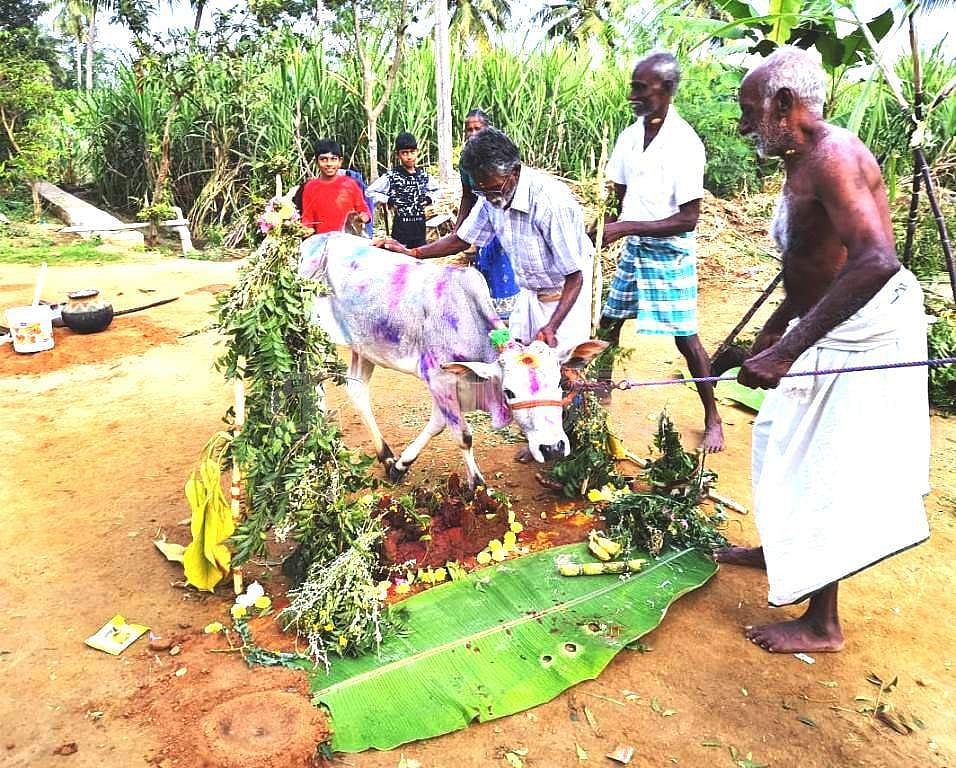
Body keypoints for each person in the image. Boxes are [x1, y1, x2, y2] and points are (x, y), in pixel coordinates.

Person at [716, 46, 930, 654]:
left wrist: (790, 350)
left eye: (748, 110)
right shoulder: (800, 157)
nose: (742, 126)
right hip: (826, 318)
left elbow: (876, 262)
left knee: (821, 463)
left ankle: (822, 622)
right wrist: (779, 326)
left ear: (784, 105)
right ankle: (781, 549)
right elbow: (815, 263)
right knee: (778, 434)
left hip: (867, 329)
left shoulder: (833, 159)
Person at [595, 52, 724, 453]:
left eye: (641, 87)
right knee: (608, 325)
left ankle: (713, 417)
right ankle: (597, 398)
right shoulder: (630, 135)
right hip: (634, 247)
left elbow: (688, 219)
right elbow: (620, 189)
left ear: (666, 89)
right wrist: (613, 224)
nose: (632, 94)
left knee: (686, 339)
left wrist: (625, 226)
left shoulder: (685, 143)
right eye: (633, 85)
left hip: (669, 251)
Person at [377, 126, 594, 359]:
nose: (490, 197)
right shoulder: (490, 196)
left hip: (565, 302)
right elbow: (461, 240)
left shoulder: (550, 203)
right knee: (519, 371)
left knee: (562, 377)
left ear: (515, 172)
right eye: (481, 191)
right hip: (530, 295)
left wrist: (552, 326)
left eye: (493, 189)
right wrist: (412, 253)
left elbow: (575, 276)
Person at [456, 109, 519, 321]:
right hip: (482, 220)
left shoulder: (500, 159)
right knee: (484, 273)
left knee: (505, 272)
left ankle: (509, 320)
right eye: (469, 129)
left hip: (502, 220)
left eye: (477, 128)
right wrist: (459, 231)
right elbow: (467, 197)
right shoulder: (466, 163)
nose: (473, 133)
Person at [366, 131, 437, 249]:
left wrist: (429, 199)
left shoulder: (424, 176)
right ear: (397, 155)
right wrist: (388, 200)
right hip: (400, 231)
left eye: (412, 152)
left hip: (419, 230)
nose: (409, 156)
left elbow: (438, 190)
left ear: (417, 152)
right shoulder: (392, 176)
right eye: (404, 153)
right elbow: (369, 192)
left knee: (419, 260)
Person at [299, 139, 371, 235]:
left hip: (348, 240)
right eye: (323, 159)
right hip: (322, 241)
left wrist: (363, 217)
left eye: (333, 159)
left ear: (340, 161)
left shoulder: (350, 184)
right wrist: (303, 230)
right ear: (316, 162)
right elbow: (307, 219)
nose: (329, 164)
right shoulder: (310, 187)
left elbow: (363, 209)